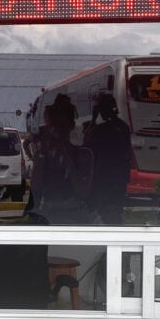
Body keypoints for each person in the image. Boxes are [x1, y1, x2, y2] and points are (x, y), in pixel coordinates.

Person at [30, 93, 95, 225]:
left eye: (62, 127)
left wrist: (66, 155)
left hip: (75, 216)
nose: (58, 132)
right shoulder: (43, 155)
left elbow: (83, 191)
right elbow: (35, 189)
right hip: (51, 216)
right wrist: (41, 155)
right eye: (55, 127)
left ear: (70, 126)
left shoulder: (82, 155)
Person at [83, 93, 132, 225]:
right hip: (119, 177)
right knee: (115, 210)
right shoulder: (123, 127)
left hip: (104, 177)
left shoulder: (102, 130)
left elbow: (86, 145)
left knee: (104, 211)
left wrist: (93, 119)